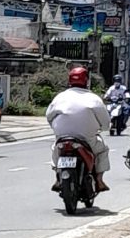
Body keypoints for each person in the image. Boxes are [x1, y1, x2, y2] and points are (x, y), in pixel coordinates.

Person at [46, 62, 109, 192]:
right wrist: (103, 128)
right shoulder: (94, 99)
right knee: (102, 150)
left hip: (62, 138)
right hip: (87, 140)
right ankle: (99, 180)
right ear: (87, 81)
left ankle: (57, 179)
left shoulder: (60, 97)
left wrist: (57, 128)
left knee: (55, 148)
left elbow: (49, 116)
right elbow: (105, 123)